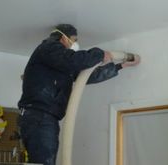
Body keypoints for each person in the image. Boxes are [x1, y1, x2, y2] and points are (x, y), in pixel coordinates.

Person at [17, 24, 140, 165]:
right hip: (38, 116)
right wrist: (101, 54)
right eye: (73, 40)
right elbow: (74, 60)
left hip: (43, 117)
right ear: (63, 37)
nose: (74, 44)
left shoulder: (61, 65)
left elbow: (87, 75)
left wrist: (121, 66)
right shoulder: (49, 47)